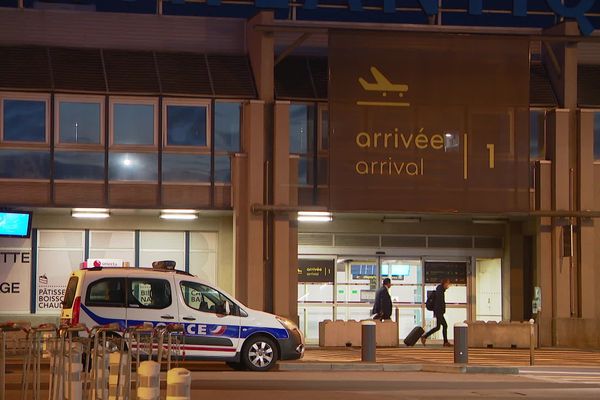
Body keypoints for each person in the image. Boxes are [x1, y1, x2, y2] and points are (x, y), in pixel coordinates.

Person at [421, 278, 452, 347]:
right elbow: (439, 302)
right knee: (445, 325)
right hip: (439, 311)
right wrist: (440, 312)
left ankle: (424, 337)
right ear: (445, 283)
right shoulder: (440, 290)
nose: (448, 285)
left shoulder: (440, 290)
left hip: (438, 311)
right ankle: (445, 342)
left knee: (438, 327)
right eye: (448, 283)